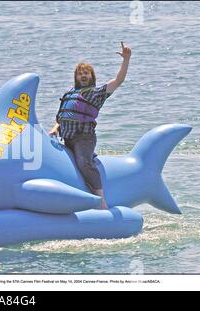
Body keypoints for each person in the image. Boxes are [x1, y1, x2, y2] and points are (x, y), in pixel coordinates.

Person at [49, 41, 131, 209]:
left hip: (83, 139)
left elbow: (118, 80)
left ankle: (101, 200)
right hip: (67, 139)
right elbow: (61, 117)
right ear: (76, 77)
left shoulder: (95, 93)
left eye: (87, 73)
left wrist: (126, 59)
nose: (83, 75)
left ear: (92, 76)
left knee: (84, 163)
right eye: (80, 73)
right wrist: (55, 128)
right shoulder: (69, 94)